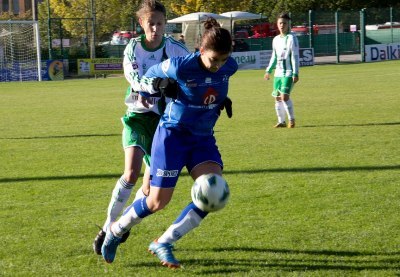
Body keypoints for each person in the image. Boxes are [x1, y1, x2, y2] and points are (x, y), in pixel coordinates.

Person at [101, 17, 238, 269]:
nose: (218, 66)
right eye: (212, 60)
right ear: (200, 51)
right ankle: (116, 230)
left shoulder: (231, 66)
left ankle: (164, 242)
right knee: (156, 202)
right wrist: (157, 86)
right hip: (172, 137)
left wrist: (220, 100)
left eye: (222, 60)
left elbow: (214, 85)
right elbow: (147, 78)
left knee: (213, 191)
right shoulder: (181, 66)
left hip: (202, 138)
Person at [92, 0, 189, 255]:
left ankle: (121, 225)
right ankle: (107, 227)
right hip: (137, 116)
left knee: (147, 189)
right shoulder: (133, 47)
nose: (155, 29)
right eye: (150, 23)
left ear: (165, 24)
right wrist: (154, 86)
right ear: (141, 24)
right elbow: (133, 77)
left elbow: (192, 69)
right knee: (131, 173)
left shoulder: (175, 48)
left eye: (159, 24)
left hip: (163, 123)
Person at [264, 12, 299, 128]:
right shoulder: (275, 39)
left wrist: (295, 73)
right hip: (278, 73)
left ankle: (291, 119)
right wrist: (268, 70)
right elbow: (274, 56)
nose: (282, 25)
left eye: (284, 23)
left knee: (284, 97)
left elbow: (294, 56)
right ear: (277, 24)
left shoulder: (292, 38)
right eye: (280, 23)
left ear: (289, 24)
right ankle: (281, 121)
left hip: (288, 72)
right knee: (277, 97)